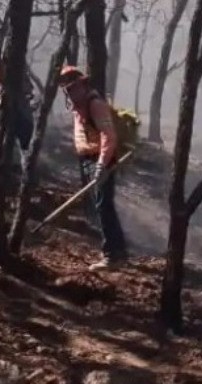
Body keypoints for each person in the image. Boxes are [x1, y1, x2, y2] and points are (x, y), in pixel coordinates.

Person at [56, 65, 129, 270]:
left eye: (73, 88)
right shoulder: (79, 106)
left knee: (104, 206)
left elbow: (108, 136)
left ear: (83, 85)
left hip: (101, 159)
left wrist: (101, 165)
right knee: (101, 205)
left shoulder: (95, 104)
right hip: (89, 159)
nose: (71, 93)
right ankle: (117, 251)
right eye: (67, 90)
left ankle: (113, 255)